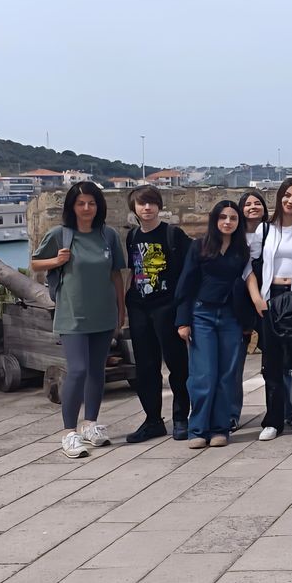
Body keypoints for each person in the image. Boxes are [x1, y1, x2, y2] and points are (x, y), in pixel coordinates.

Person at [31, 181, 126, 459]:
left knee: (97, 370)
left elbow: (116, 274)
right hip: (72, 313)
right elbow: (36, 262)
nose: (87, 208)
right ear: (72, 207)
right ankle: (68, 432)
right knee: (78, 369)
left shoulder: (107, 235)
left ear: (99, 206)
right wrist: (56, 262)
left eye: (92, 203)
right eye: (81, 203)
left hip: (103, 312)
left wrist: (121, 309)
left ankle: (91, 425)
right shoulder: (60, 234)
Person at [247, 178, 292, 441]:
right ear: (279, 198)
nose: (290, 201)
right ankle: (273, 420)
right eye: (286, 196)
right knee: (273, 364)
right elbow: (249, 266)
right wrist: (258, 299)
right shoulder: (265, 231)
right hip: (271, 298)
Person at [175, 200, 251, 449]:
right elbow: (186, 285)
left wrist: (246, 321)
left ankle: (220, 428)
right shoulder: (200, 247)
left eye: (233, 218)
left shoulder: (242, 251)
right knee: (203, 375)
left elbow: (249, 284)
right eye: (223, 217)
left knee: (227, 375)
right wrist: (183, 321)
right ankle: (198, 428)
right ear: (214, 220)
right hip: (202, 315)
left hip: (230, 317)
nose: (227, 222)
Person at [123, 186, 192, 443]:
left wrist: (185, 313)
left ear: (159, 206)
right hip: (140, 307)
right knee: (146, 367)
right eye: (142, 204)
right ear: (135, 209)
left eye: (151, 203)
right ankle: (152, 420)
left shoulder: (173, 235)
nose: (147, 208)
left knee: (177, 366)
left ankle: (181, 418)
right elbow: (132, 271)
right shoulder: (132, 237)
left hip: (167, 306)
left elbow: (188, 274)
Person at [232, 189, 269, 431]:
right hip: (238, 303)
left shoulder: (272, 233)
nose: (253, 207)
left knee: (276, 359)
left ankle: (282, 408)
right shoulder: (233, 235)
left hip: (267, 300)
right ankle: (232, 413)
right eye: (248, 204)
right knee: (235, 362)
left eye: (257, 203)